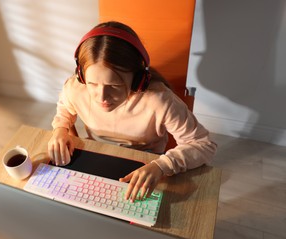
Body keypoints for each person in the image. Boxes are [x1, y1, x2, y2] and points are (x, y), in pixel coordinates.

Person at [48, 21, 217, 202]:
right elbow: (65, 108)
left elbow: (204, 145)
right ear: (82, 76)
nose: (101, 97)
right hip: (97, 154)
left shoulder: (160, 100)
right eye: (92, 84)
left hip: (146, 163)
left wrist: (162, 166)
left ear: (138, 79)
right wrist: (60, 129)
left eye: (114, 85)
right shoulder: (75, 87)